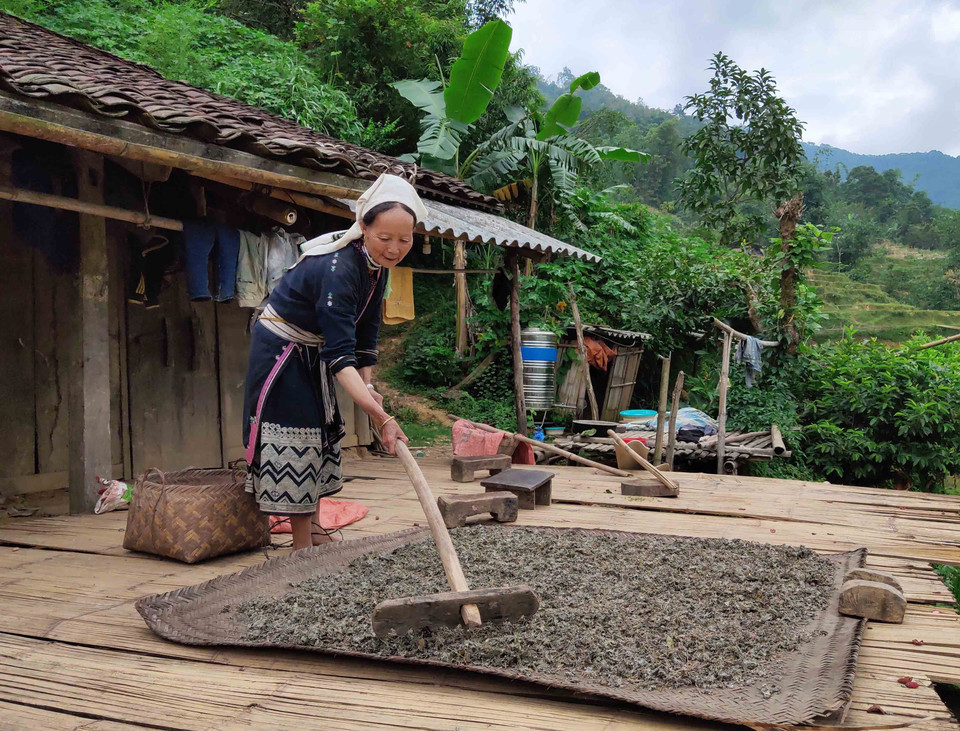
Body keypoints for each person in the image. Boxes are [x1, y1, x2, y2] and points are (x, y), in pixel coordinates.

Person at [242, 174, 425, 550]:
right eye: (385, 238)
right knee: (298, 436)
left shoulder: (376, 267)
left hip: (315, 349)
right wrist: (381, 417)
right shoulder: (339, 268)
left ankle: (313, 528)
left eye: (404, 239)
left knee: (321, 432)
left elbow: (365, 337)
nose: (394, 249)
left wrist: (368, 386)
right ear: (363, 227)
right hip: (283, 351)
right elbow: (341, 356)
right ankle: (302, 550)